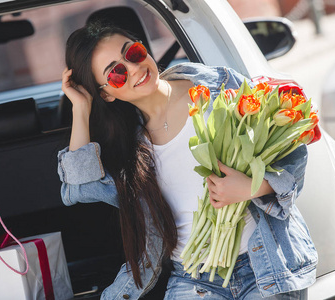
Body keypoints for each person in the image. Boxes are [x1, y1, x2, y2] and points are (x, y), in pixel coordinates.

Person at [57, 22, 317, 299]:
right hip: (193, 279)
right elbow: (80, 187)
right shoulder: (128, 147)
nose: (133, 68)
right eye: (116, 73)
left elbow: (291, 151)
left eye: (132, 53)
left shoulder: (217, 87)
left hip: (264, 265)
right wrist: (81, 108)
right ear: (106, 94)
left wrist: (255, 186)